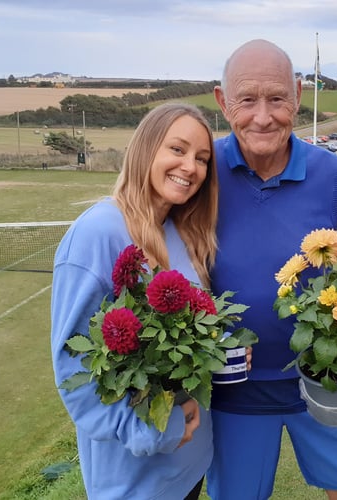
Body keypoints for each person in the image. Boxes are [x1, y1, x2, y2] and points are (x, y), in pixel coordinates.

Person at [208, 39, 337, 500]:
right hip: (231, 390)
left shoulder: (332, 173)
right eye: (247, 99)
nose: (263, 116)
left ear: (298, 96)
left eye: (277, 98)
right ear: (223, 102)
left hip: (324, 377)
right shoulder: (201, 174)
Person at [50, 103, 219, 499]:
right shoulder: (97, 232)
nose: (190, 167)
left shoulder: (180, 231)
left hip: (187, 468)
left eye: (202, 158)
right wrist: (157, 430)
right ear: (145, 149)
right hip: (134, 481)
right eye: (177, 150)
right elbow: (74, 369)